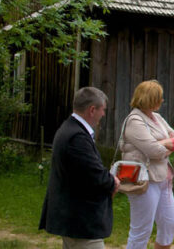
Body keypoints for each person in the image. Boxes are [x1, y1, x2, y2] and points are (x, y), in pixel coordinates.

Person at [39, 87, 120, 249]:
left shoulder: (69, 128)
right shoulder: (77, 137)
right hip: (81, 221)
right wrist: (113, 182)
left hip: (73, 218)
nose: (103, 115)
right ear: (92, 110)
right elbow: (94, 174)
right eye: (102, 110)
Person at [122, 80, 174, 249]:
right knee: (142, 229)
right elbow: (154, 151)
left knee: (170, 224)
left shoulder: (157, 117)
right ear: (150, 99)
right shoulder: (135, 120)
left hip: (163, 178)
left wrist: (161, 143)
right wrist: (167, 144)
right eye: (159, 97)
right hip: (144, 180)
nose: (162, 101)